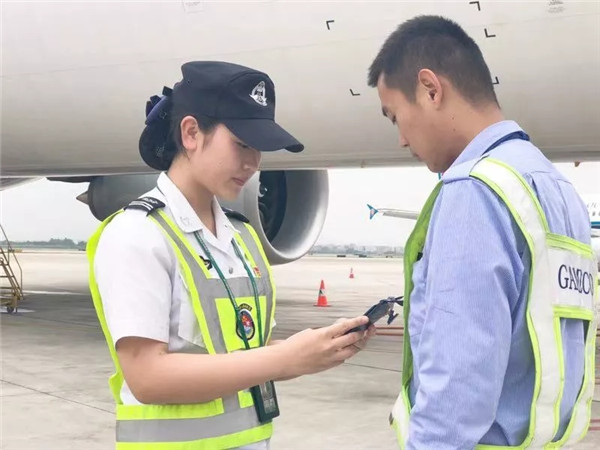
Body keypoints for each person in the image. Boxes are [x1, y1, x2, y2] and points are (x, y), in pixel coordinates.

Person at [87, 61, 373, 450]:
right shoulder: (138, 234)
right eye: (241, 143)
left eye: (257, 148)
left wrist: (315, 349)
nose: (253, 163)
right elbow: (147, 377)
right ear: (191, 133)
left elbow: (243, 356)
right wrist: (284, 359)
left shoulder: (242, 237)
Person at [368, 15, 598, 449]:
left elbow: (456, 390)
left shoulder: (474, 191)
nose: (401, 139)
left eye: (395, 116)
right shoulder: (555, 188)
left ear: (430, 89)